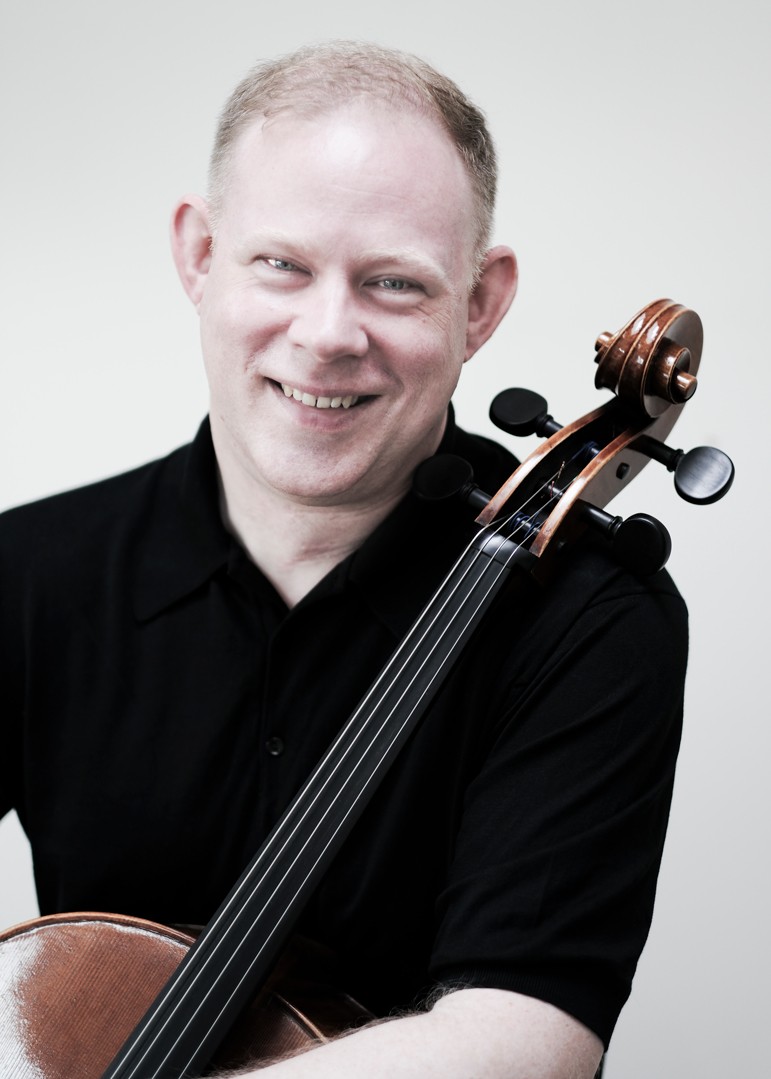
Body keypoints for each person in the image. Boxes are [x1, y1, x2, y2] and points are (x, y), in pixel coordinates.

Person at [0, 42, 688, 1077]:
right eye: (281, 263)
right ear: (198, 254)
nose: (327, 335)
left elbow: (526, 1036)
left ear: (481, 302)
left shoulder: (589, 613)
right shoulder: (30, 572)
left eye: (395, 283)